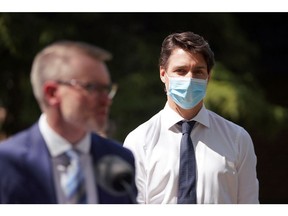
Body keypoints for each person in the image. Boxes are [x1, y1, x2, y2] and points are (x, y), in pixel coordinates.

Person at [123, 31, 259, 204]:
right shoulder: (139, 140)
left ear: (208, 77)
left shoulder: (237, 138)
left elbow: (249, 204)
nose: (189, 79)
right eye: (180, 71)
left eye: (198, 71)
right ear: (163, 74)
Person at [0, 40, 137, 204]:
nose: (106, 100)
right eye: (92, 88)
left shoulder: (120, 159)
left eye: (107, 89)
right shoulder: (7, 162)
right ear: (52, 93)